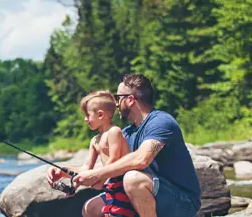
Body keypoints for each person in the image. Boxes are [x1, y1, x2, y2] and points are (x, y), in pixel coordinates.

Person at [71, 74, 202, 217]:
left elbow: (141, 159)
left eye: (118, 97)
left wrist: (96, 175)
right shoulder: (126, 133)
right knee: (92, 208)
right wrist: (66, 173)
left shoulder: (161, 122)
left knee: (133, 179)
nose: (115, 103)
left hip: (183, 203)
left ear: (130, 100)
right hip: (146, 195)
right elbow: (110, 166)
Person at [46, 90, 137, 217]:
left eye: (87, 115)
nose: (85, 119)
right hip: (111, 186)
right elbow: (86, 168)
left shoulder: (114, 132)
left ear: (100, 114)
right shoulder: (94, 140)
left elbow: (114, 160)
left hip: (123, 185)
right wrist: (67, 177)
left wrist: (100, 179)